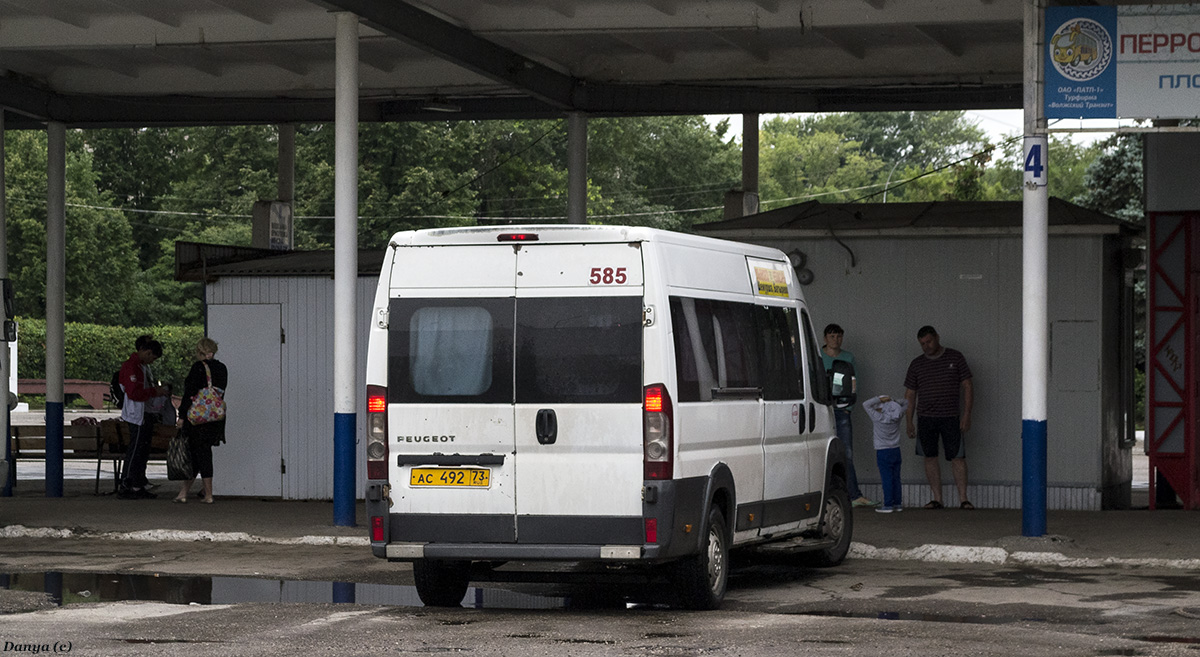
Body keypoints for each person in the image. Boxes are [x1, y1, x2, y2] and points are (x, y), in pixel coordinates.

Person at [904, 326, 974, 510]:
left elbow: (967, 385)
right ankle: (937, 499)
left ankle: (963, 499)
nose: (926, 346)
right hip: (926, 417)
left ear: (937, 337)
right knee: (929, 457)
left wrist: (967, 414)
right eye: (922, 344)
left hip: (951, 416)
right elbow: (910, 394)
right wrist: (908, 421)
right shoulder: (917, 364)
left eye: (929, 341)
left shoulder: (955, 357)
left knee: (957, 457)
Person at [821, 323, 876, 507]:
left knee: (847, 453)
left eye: (838, 336)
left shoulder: (848, 357)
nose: (835, 340)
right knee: (822, 453)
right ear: (825, 339)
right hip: (822, 410)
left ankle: (853, 494)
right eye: (832, 336)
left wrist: (848, 408)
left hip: (842, 409)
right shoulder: (817, 356)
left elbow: (854, 383)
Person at [174, 337, 227, 505]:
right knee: (201, 453)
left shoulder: (198, 368)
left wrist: (182, 416)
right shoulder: (222, 368)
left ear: (199, 351)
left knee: (199, 454)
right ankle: (185, 492)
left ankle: (207, 494)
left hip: (197, 419)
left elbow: (189, 393)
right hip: (214, 418)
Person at [118, 339, 168, 499]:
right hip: (136, 414)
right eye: (152, 358)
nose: (152, 362)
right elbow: (133, 393)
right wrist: (154, 392)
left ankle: (138, 483)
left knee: (143, 450)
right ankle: (127, 483)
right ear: (147, 353)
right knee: (135, 450)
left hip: (143, 413)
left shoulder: (141, 367)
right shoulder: (131, 367)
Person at [863, 394, 908, 513]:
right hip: (896, 450)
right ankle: (898, 504)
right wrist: (893, 401)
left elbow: (866, 404)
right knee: (896, 478)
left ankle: (888, 505)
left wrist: (879, 399)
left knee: (886, 478)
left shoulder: (878, 417)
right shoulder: (898, 416)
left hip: (883, 451)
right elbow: (906, 402)